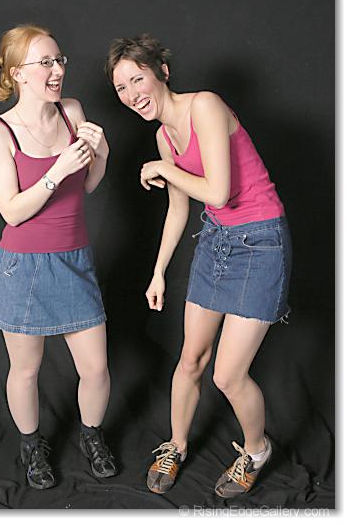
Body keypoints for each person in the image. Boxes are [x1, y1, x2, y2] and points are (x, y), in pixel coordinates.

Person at [106, 34, 292, 498]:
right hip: (216, 240)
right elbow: (179, 208)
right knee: (190, 359)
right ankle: (176, 444)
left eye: (137, 79)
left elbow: (218, 192)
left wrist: (164, 169)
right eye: (121, 88)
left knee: (227, 374)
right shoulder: (163, 136)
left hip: (261, 243)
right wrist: (158, 271)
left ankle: (257, 449)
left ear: (162, 72)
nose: (131, 94)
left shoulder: (205, 105)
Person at [0, 24, 117, 489]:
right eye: (45, 62)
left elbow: (89, 184)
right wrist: (56, 171)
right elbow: (12, 212)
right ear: (18, 73)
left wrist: (102, 155)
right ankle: (31, 447)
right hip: (23, 268)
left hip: (74, 260)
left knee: (95, 368)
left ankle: (91, 436)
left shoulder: (71, 112)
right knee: (26, 369)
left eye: (59, 60)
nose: (57, 70)